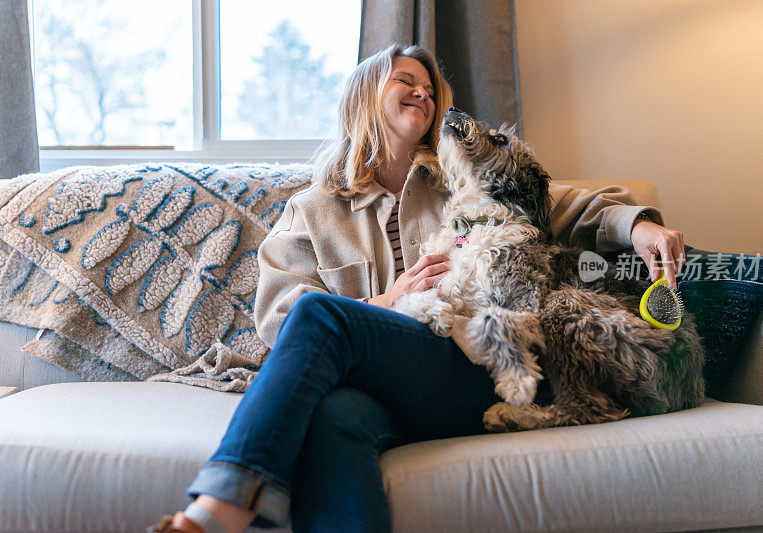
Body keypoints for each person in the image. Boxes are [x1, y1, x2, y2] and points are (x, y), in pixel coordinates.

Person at [151, 43, 685, 533]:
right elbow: (278, 318)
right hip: (380, 391)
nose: (423, 92)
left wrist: (637, 226)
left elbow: (564, 200)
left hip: (472, 366)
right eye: (405, 79)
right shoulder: (311, 211)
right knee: (333, 415)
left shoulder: (464, 177)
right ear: (365, 96)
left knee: (323, 315)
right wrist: (384, 303)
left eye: (430, 88)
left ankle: (214, 512)